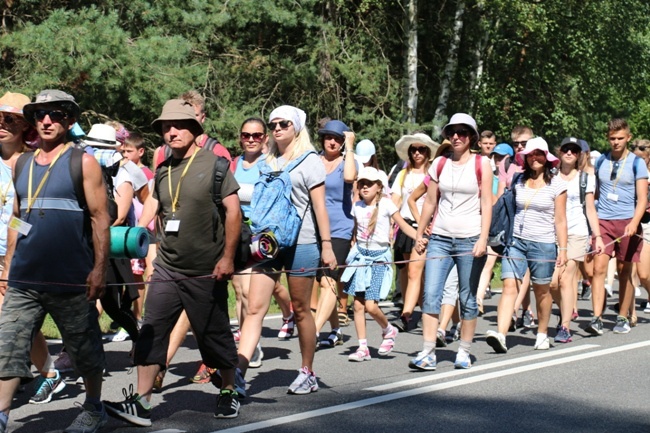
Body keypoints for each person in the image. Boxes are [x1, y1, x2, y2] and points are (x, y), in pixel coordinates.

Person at [103, 99, 243, 422]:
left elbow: (234, 213)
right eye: (166, 127)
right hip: (167, 266)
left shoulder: (216, 165)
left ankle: (229, 389)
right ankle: (141, 401)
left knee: (214, 333)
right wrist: (137, 232)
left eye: (178, 125)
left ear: (195, 130)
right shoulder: (164, 169)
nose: (171, 131)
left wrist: (226, 258)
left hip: (206, 269)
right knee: (152, 329)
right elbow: (155, 202)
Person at [0, 89, 111, 433]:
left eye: (57, 114)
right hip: (25, 279)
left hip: (70, 278)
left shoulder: (83, 162)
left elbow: (99, 218)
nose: (47, 120)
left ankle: (94, 408)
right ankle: (2, 414)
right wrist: (8, 266)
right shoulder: (22, 163)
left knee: (84, 348)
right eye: (40, 114)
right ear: (33, 121)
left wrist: (99, 269)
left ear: (70, 120)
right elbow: (18, 218)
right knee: (7, 344)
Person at [237, 105, 336, 395]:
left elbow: (320, 207)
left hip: (303, 243)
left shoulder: (311, 161)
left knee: (302, 309)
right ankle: (238, 376)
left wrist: (327, 246)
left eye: (284, 124)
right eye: (273, 124)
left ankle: (307, 371)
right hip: (269, 242)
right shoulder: (266, 162)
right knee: (254, 308)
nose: (277, 128)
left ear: (297, 127)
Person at [410, 113, 493, 370]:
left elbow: (486, 203)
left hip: (470, 239)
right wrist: (420, 235)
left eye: (462, 132)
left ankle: (464, 351)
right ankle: (427, 353)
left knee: (467, 297)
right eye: (452, 132)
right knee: (431, 293)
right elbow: (430, 202)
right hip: (440, 238)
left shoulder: (482, 164)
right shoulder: (439, 164)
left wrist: (483, 239)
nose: (456, 136)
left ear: (472, 137)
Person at [486, 137, 567, 353]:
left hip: (544, 244)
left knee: (542, 291)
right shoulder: (518, 180)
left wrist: (564, 250)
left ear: (547, 158)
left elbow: (560, 220)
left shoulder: (557, 185)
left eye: (538, 154)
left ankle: (542, 333)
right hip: (516, 242)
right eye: (530, 155)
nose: (534, 158)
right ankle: (501, 335)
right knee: (509, 285)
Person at [230, 117, 294, 368]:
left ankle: (251, 344)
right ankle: (247, 342)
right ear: (241, 137)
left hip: (261, 235)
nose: (251, 140)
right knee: (238, 292)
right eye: (247, 135)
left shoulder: (271, 164)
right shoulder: (235, 164)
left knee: (249, 292)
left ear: (265, 138)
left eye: (257, 136)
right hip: (238, 231)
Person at [343, 167, 415, 361]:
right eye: (362, 184)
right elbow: (355, 230)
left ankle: (389, 329)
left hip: (378, 259)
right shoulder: (356, 206)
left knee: (371, 306)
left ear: (379, 187)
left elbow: (403, 224)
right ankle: (362, 347)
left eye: (370, 184)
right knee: (358, 305)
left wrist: (419, 237)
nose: (365, 187)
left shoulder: (386, 204)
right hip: (360, 257)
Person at [587, 119, 648, 335]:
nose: (615, 142)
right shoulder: (601, 162)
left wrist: (634, 222)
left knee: (624, 271)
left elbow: (642, 199)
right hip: (604, 221)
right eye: (612, 138)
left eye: (620, 138)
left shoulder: (636, 163)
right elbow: (595, 195)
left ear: (628, 138)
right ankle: (597, 318)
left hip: (627, 222)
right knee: (598, 269)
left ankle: (623, 316)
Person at [549, 137, 603, 343]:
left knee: (566, 277)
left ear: (579, 154)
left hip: (578, 233)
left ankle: (564, 327)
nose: (569, 153)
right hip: (553, 233)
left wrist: (597, 237)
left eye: (574, 150)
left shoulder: (585, 178)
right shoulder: (551, 176)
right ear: (559, 152)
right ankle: (566, 308)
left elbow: (590, 209)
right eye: (566, 149)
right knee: (552, 282)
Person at [313, 120, 357, 348]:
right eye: (329, 137)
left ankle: (314, 331)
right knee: (321, 281)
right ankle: (336, 330)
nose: (333, 142)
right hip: (315, 228)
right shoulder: (314, 161)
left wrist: (350, 147)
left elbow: (350, 178)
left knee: (329, 280)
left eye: (338, 138)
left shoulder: (346, 162)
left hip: (340, 229)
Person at [391, 133, 437, 332]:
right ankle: (420, 309)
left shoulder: (433, 174)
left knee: (415, 272)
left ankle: (407, 315)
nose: (417, 153)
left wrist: (426, 223)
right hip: (404, 226)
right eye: (413, 150)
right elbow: (395, 200)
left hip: (425, 227)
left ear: (428, 153)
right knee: (406, 270)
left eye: (421, 149)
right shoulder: (403, 174)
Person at [152, 90, 231, 168]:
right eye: (184, 116)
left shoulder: (216, 151)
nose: (191, 119)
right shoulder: (164, 152)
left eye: (195, 115)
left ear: (203, 117)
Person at [630, 139, 650, 317]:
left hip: (649, 221)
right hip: (633, 221)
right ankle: (630, 310)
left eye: (642, 159)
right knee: (637, 271)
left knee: (644, 273)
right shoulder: (629, 169)